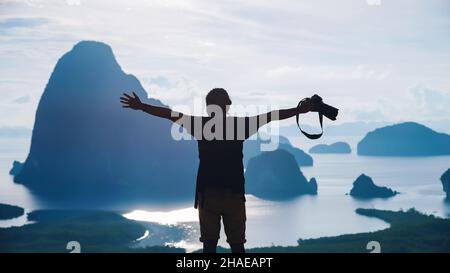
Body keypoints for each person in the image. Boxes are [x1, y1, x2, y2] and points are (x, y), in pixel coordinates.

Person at [120, 88, 311, 253]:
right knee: (238, 248)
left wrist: (142, 106)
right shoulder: (240, 125)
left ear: (208, 106)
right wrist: (300, 110)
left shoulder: (200, 125)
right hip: (234, 196)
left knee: (209, 247)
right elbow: (272, 116)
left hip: (208, 196)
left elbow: (169, 114)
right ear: (227, 106)